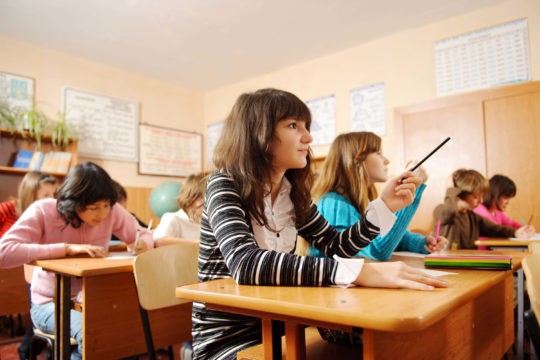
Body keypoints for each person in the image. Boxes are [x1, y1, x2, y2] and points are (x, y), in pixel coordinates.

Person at [192, 88, 447, 359]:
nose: (309, 137)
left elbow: (337, 245)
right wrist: (359, 273)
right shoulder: (224, 184)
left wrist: (384, 207)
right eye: (293, 125)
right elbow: (246, 264)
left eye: (306, 126)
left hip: (286, 328)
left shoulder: (292, 192)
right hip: (228, 342)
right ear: (258, 133)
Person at [0, 162, 154, 360]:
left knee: (126, 332)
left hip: (94, 299)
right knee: (92, 332)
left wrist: (143, 243)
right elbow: (3, 252)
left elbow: (144, 234)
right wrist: (66, 249)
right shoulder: (44, 210)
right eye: (93, 207)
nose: (103, 214)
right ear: (73, 203)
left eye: (107, 205)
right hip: (49, 303)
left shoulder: (111, 211)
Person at [308, 132, 447, 261]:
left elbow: (384, 236)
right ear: (357, 160)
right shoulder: (334, 205)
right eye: (379, 153)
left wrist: (421, 243)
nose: (386, 161)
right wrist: (408, 192)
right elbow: (375, 253)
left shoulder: (359, 202)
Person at [433, 169, 534, 249]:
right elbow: (448, 212)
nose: (481, 201)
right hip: (447, 266)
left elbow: (495, 229)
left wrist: (515, 232)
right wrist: (451, 190)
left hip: (467, 265)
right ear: (459, 194)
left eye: (482, 196)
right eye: (476, 197)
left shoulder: (472, 216)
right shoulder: (440, 210)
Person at [152, 173, 206, 247]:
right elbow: (158, 241)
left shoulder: (204, 222)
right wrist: (197, 243)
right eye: (202, 204)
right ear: (190, 199)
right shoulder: (172, 218)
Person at [0, 170, 57, 238]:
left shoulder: (47, 218)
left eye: (53, 194)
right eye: (46, 195)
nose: (52, 199)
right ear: (30, 195)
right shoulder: (8, 208)